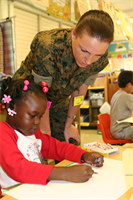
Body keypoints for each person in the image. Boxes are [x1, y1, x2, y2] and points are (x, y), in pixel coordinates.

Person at [12, 10, 114, 145]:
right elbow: (41, 92)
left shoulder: (100, 60)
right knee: (36, 150)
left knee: (69, 144)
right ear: (73, 34)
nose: (89, 61)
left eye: (97, 55)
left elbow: (80, 92)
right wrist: (45, 131)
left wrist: (69, 124)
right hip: (27, 101)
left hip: (58, 102)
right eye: (84, 51)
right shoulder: (48, 46)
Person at [0, 75, 104, 189]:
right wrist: (65, 173)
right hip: (12, 194)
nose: (37, 122)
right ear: (11, 106)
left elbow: (58, 147)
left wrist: (83, 155)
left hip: (33, 190)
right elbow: (18, 168)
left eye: (40, 117)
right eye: (33, 116)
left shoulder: (33, 134)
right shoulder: (3, 132)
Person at [110, 70, 133, 141]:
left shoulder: (116, 94)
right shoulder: (126, 96)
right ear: (129, 85)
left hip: (116, 130)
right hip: (122, 131)